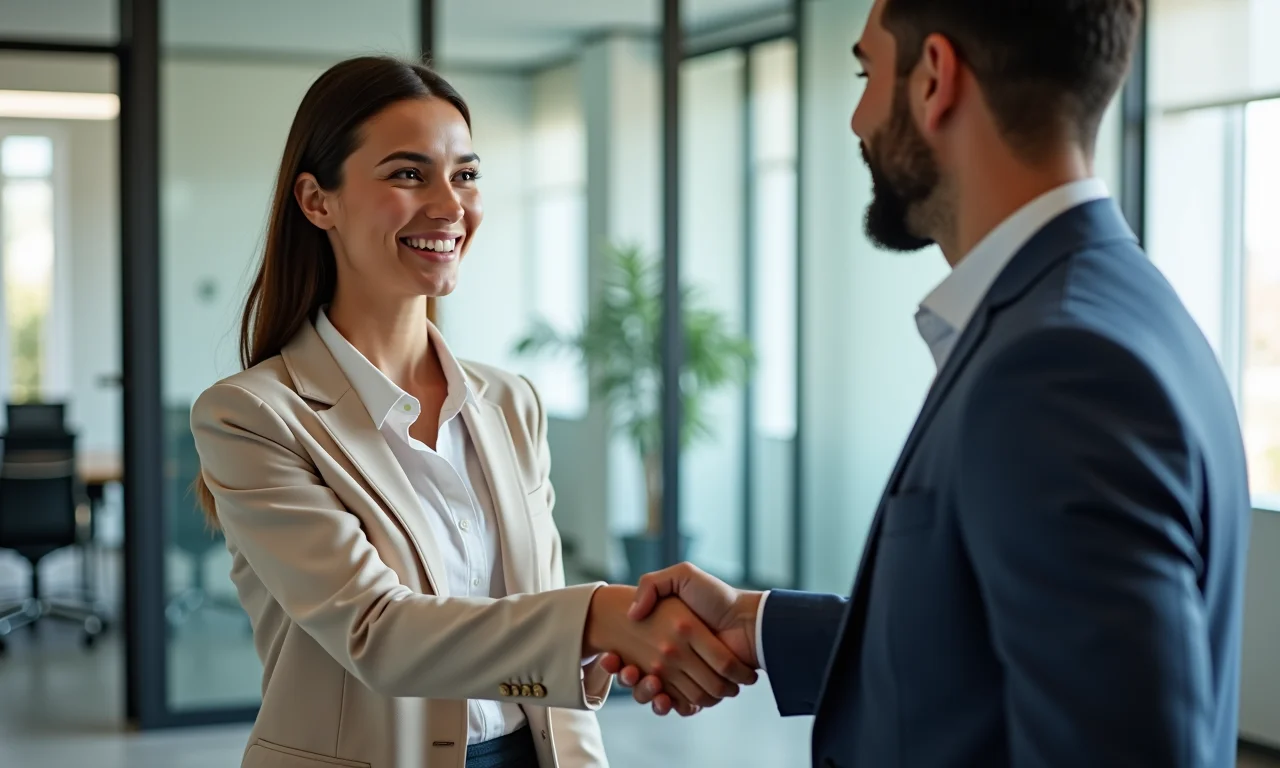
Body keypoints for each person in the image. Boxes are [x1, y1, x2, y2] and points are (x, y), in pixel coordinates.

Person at [602, 1, 1252, 766]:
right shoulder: (1121, 300)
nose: (854, 119)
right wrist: (766, 625)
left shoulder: (1056, 368)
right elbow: (997, 644)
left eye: (865, 71)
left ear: (935, 77)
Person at [189, 56, 755, 768]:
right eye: (407, 173)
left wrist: (615, 640)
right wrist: (599, 617)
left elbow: (528, 630)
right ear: (317, 201)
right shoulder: (252, 416)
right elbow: (379, 635)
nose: (449, 205)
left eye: (465, 175)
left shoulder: (510, 403)